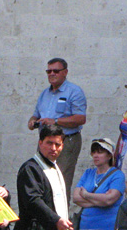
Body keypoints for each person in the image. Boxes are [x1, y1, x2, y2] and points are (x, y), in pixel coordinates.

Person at [27, 58, 87, 198]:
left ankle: (60, 217)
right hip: (44, 142)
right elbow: (35, 115)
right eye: (49, 71)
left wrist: (55, 121)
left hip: (65, 141)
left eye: (56, 71)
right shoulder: (44, 94)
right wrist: (32, 122)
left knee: (60, 181)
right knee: (41, 178)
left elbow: (80, 118)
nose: (51, 74)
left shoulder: (74, 91)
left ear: (65, 72)